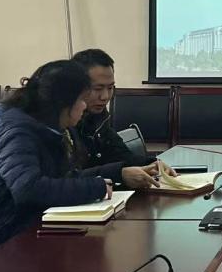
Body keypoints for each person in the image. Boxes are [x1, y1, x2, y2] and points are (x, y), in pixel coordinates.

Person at [0, 60, 111, 262]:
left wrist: (114, 176)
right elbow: (28, 189)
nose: (84, 106)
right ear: (63, 104)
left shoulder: (50, 128)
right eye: (81, 100)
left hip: (33, 236)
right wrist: (94, 188)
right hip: (3, 248)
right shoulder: (19, 132)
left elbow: (62, 179)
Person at [69, 48, 174, 189]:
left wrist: (153, 164)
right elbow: (65, 180)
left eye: (110, 88)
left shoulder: (99, 117)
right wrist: (119, 174)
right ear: (76, 87)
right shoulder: (63, 124)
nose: (105, 96)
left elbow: (123, 156)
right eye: (98, 89)